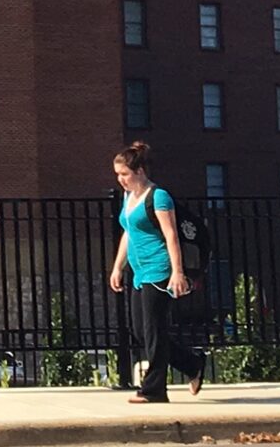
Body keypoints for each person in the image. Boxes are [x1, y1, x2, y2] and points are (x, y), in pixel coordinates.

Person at [108, 141, 206, 403]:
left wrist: (178, 272)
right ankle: (192, 364)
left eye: (125, 174)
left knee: (154, 330)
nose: (121, 180)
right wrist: (118, 267)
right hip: (139, 272)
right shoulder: (129, 198)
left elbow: (171, 236)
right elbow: (129, 232)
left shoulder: (158, 196)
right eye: (118, 175)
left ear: (140, 170)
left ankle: (153, 390)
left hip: (159, 269)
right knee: (141, 331)